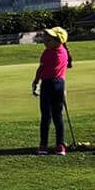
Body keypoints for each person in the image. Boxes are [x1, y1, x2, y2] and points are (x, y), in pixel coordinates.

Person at [32, 26, 72, 155]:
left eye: (48, 39)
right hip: (59, 84)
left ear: (57, 41)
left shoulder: (48, 53)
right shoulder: (64, 52)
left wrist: (35, 82)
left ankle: (44, 146)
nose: (45, 41)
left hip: (48, 85)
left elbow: (41, 69)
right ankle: (60, 146)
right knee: (57, 116)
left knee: (46, 117)